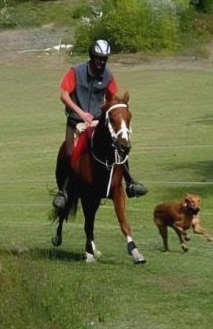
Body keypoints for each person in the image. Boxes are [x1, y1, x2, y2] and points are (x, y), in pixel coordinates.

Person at [53, 39, 147, 211]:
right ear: (92, 56)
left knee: (119, 145)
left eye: (104, 59)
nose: (102, 62)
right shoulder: (76, 72)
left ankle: (130, 182)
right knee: (69, 151)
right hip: (75, 120)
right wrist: (81, 113)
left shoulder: (108, 76)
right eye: (99, 58)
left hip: (97, 121)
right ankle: (63, 192)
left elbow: (112, 99)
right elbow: (64, 95)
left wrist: (112, 112)